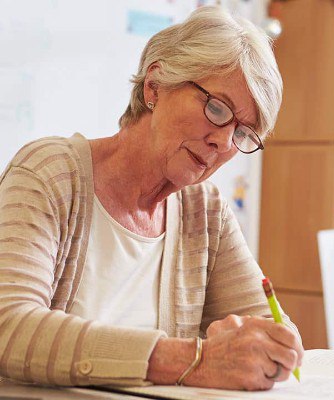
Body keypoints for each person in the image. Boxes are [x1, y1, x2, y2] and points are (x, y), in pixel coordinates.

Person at [0, 6, 303, 392]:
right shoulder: (49, 173)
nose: (223, 142)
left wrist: (270, 347)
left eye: (243, 133)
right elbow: (7, 325)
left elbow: (270, 334)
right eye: (216, 109)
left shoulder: (205, 211)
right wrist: (195, 360)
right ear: (154, 86)